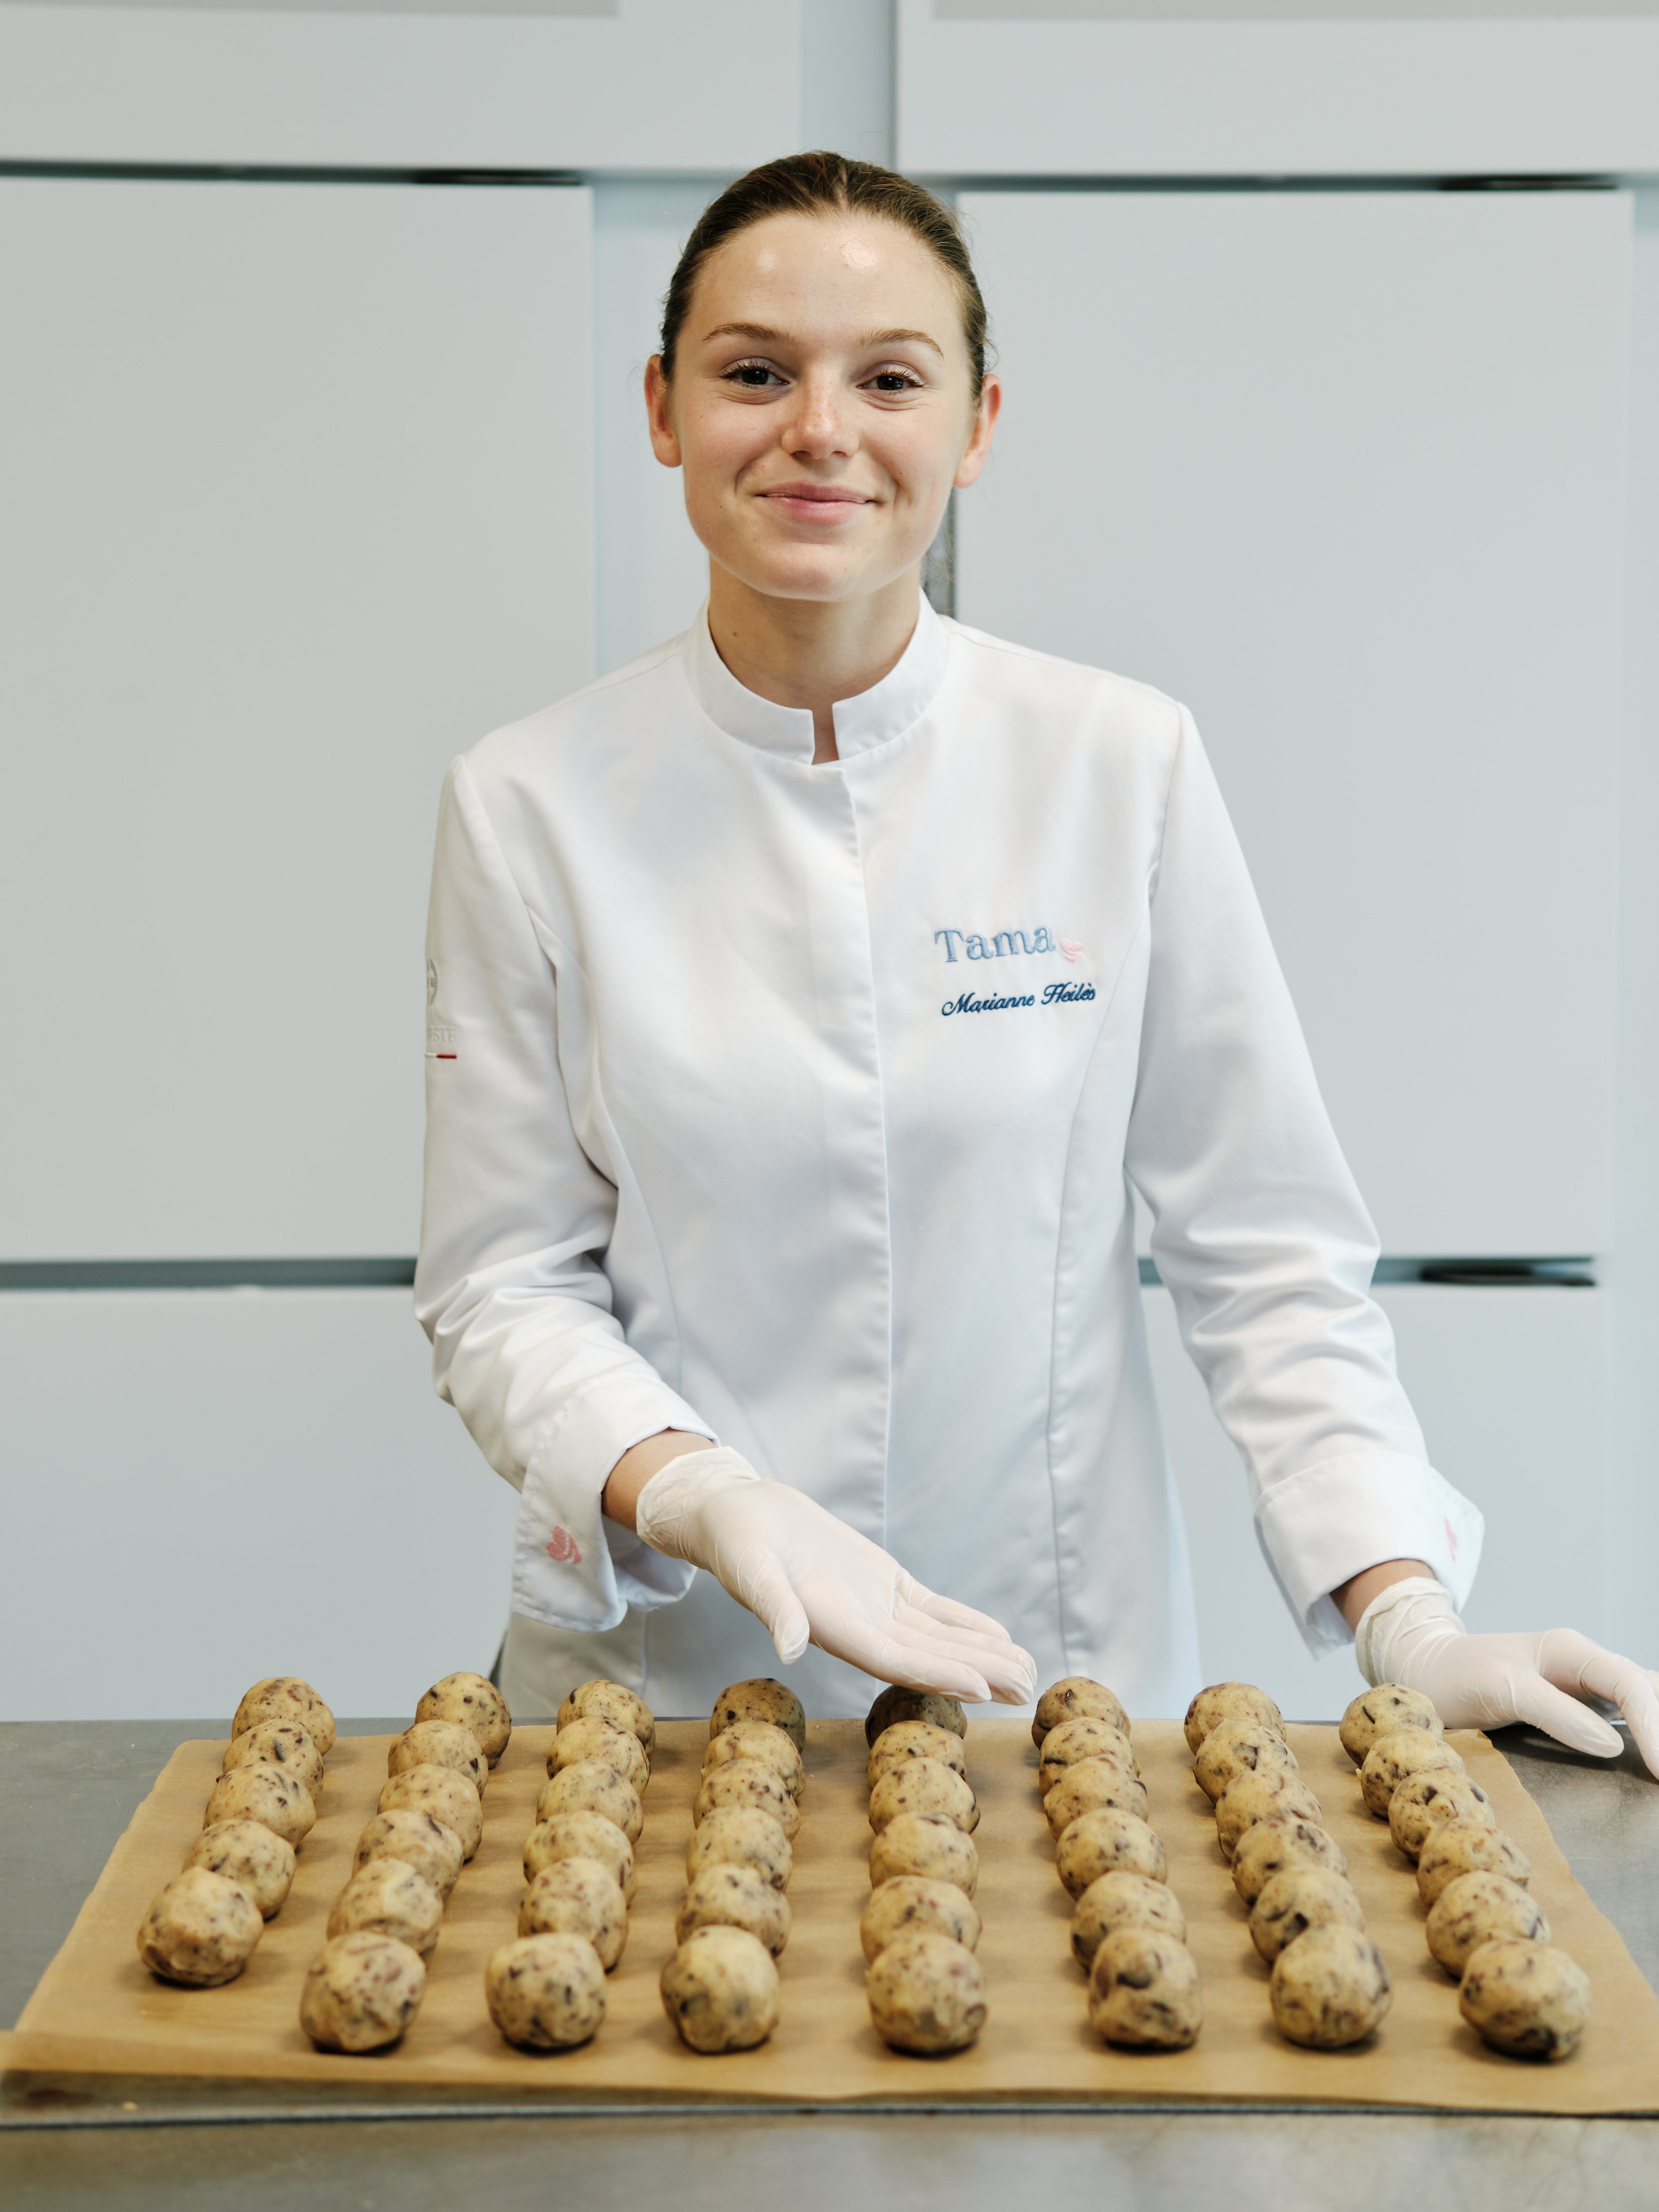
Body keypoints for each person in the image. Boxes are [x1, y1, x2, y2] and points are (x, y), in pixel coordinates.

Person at [416, 151, 1659, 1768]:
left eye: (888, 379)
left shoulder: (1116, 761)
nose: (819, 428)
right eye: (753, 373)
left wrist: (1403, 1611)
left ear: (978, 426)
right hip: (664, 1690)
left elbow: (1263, 1246)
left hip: (1056, 1689)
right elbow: (502, 1285)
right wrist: (709, 1490)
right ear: (664, 409)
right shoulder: (528, 803)